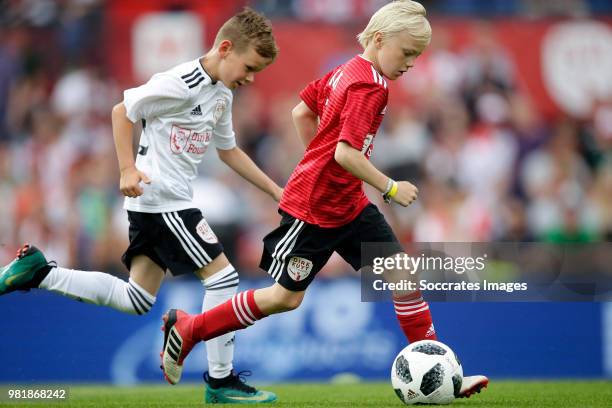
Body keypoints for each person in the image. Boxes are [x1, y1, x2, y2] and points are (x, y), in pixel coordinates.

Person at [158, 0, 488, 399]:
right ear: (381, 39)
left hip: (347, 203)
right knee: (284, 298)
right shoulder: (368, 85)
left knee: (403, 275)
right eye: (407, 53)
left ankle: (444, 371)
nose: (411, 64)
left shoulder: (347, 69)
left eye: (416, 57)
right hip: (314, 210)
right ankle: (189, 328)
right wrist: (390, 187)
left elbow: (302, 112)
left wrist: (319, 159)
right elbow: (345, 154)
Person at [0, 7, 281, 404]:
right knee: (224, 280)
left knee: (137, 299)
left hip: (160, 203)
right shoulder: (181, 81)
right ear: (225, 47)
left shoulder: (220, 93)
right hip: (162, 197)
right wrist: (127, 168)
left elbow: (229, 151)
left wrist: (273, 189)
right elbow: (122, 111)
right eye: (249, 67)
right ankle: (220, 382)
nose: (250, 78)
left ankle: (40, 273)